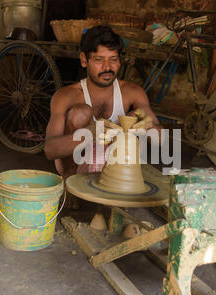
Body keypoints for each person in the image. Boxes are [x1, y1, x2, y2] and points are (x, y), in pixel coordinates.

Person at [44, 25, 162, 208]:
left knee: (133, 126)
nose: (107, 67)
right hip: (76, 165)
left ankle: (113, 190)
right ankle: (70, 188)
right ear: (84, 60)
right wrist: (90, 132)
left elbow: (161, 141)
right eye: (99, 60)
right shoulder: (66, 95)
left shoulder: (132, 92)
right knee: (80, 112)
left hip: (111, 170)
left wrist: (148, 126)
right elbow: (50, 150)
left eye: (113, 59)